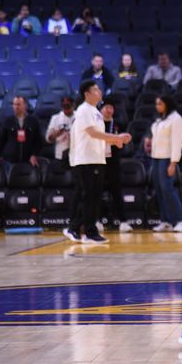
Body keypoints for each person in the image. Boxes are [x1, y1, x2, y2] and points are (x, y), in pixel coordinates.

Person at [63, 81, 132, 245]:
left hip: (97, 158)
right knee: (89, 197)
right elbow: (92, 133)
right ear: (87, 94)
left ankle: (80, 229)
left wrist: (116, 141)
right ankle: (85, 231)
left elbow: (99, 135)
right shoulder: (84, 110)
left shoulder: (95, 112)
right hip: (85, 160)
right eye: (95, 89)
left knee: (93, 197)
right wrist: (116, 138)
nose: (99, 91)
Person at [150, 94, 182, 233]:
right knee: (159, 190)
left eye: (160, 103)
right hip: (156, 158)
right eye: (156, 104)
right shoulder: (160, 120)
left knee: (168, 190)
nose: (157, 106)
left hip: (167, 159)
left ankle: (179, 221)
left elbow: (178, 142)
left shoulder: (176, 119)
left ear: (167, 104)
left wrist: (173, 163)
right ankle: (165, 221)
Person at [101, 101, 132, 233]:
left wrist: (121, 140)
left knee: (117, 192)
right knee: (97, 192)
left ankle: (123, 221)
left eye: (111, 107)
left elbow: (123, 142)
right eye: (106, 107)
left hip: (114, 162)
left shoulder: (119, 124)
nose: (109, 110)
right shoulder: (96, 124)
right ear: (101, 110)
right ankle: (97, 220)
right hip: (100, 161)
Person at [0, 96, 42, 171]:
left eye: (18, 104)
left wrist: (34, 155)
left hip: (28, 161)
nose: (15, 107)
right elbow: (1, 140)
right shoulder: (8, 121)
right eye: (14, 104)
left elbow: (38, 141)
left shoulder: (33, 121)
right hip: (10, 162)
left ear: (25, 105)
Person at [46, 96, 75, 167]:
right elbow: (48, 139)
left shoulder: (79, 116)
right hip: (60, 154)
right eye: (64, 106)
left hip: (77, 154)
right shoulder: (55, 118)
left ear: (73, 105)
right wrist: (57, 133)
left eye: (68, 106)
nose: (66, 109)